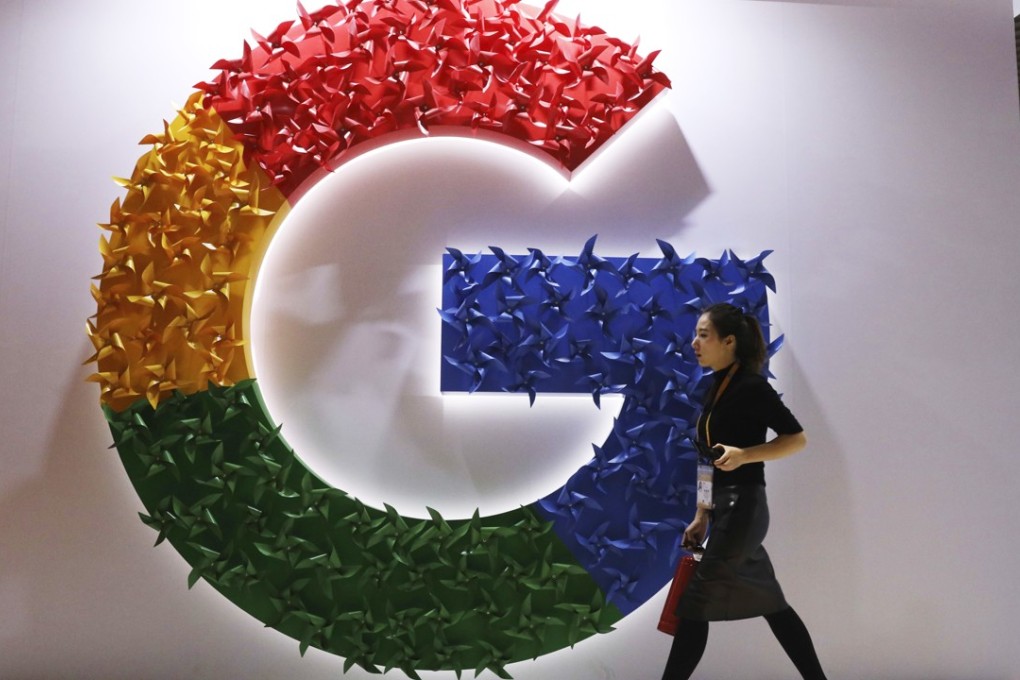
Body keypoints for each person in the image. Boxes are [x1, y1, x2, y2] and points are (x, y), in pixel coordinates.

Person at [661, 303, 828, 680]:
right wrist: (702, 513)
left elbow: (796, 439)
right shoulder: (716, 387)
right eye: (696, 334)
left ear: (729, 341)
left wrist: (746, 455)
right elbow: (707, 456)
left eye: (703, 335)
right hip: (725, 510)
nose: (694, 343)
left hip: (743, 508)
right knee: (773, 605)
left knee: (694, 604)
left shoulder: (752, 386)